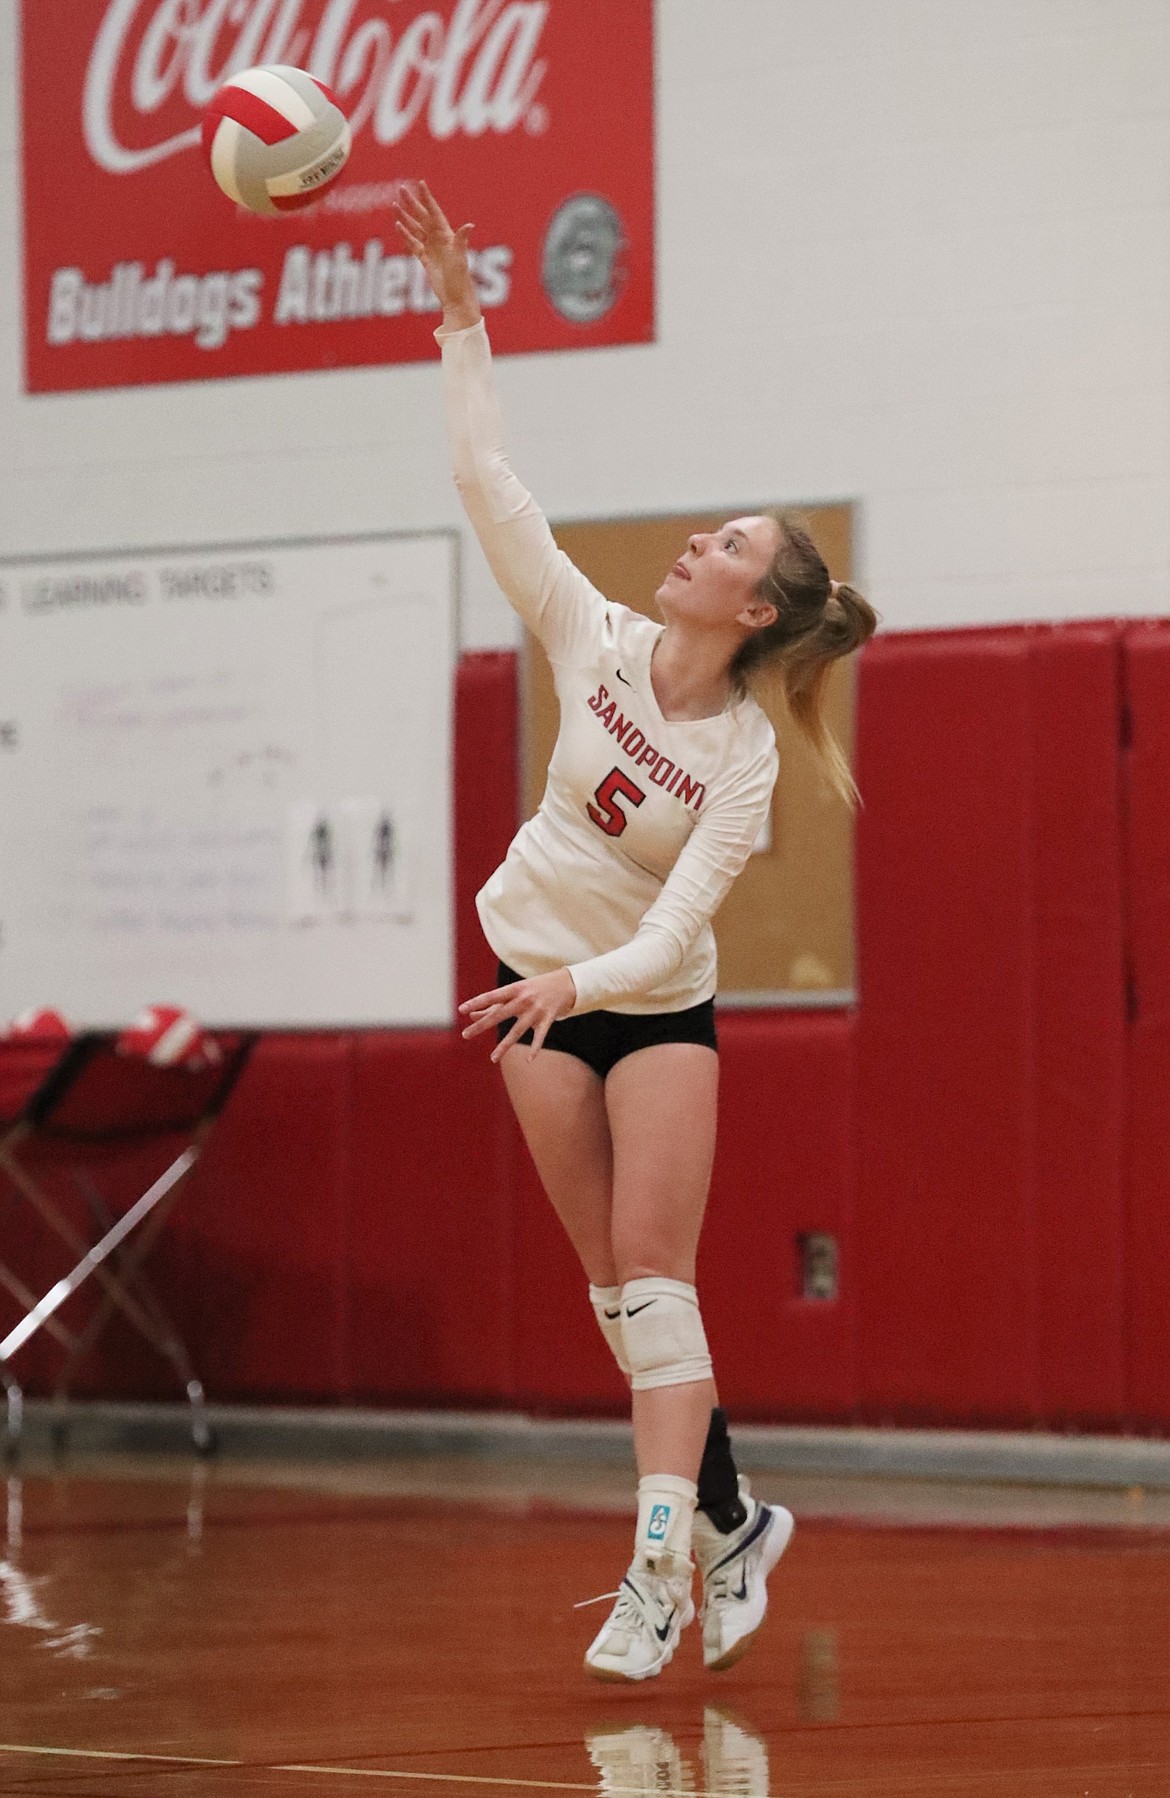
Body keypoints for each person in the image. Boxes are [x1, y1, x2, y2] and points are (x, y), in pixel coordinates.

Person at [394, 182, 878, 1682]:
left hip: (640, 1001)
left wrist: (571, 986)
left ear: (757, 603)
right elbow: (487, 479)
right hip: (524, 977)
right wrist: (464, 314)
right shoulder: (588, 635)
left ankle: (659, 1562)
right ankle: (738, 1517)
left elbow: (672, 941)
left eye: (727, 540)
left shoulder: (741, 761)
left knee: (655, 1278)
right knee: (615, 1294)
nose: (694, 539)